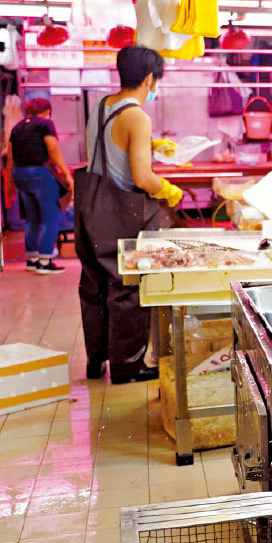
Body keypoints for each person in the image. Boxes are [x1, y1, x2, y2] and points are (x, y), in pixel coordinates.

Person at [75, 45, 184, 384]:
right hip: (122, 214)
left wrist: (150, 145)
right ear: (150, 78)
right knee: (127, 287)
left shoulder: (101, 105)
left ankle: (96, 361)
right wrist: (168, 190)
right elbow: (143, 178)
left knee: (94, 285)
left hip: (91, 208)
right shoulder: (138, 116)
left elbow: (108, 149)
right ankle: (127, 367)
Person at [3, 98, 72, 274]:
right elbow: (53, 149)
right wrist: (66, 174)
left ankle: (32, 259)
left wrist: (9, 185)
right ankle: (45, 262)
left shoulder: (17, 127)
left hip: (20, 175)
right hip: (40, 174)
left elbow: (10, 157)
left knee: (32, 219)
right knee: (51, 218)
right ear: (47, 111)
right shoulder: (45, 124)